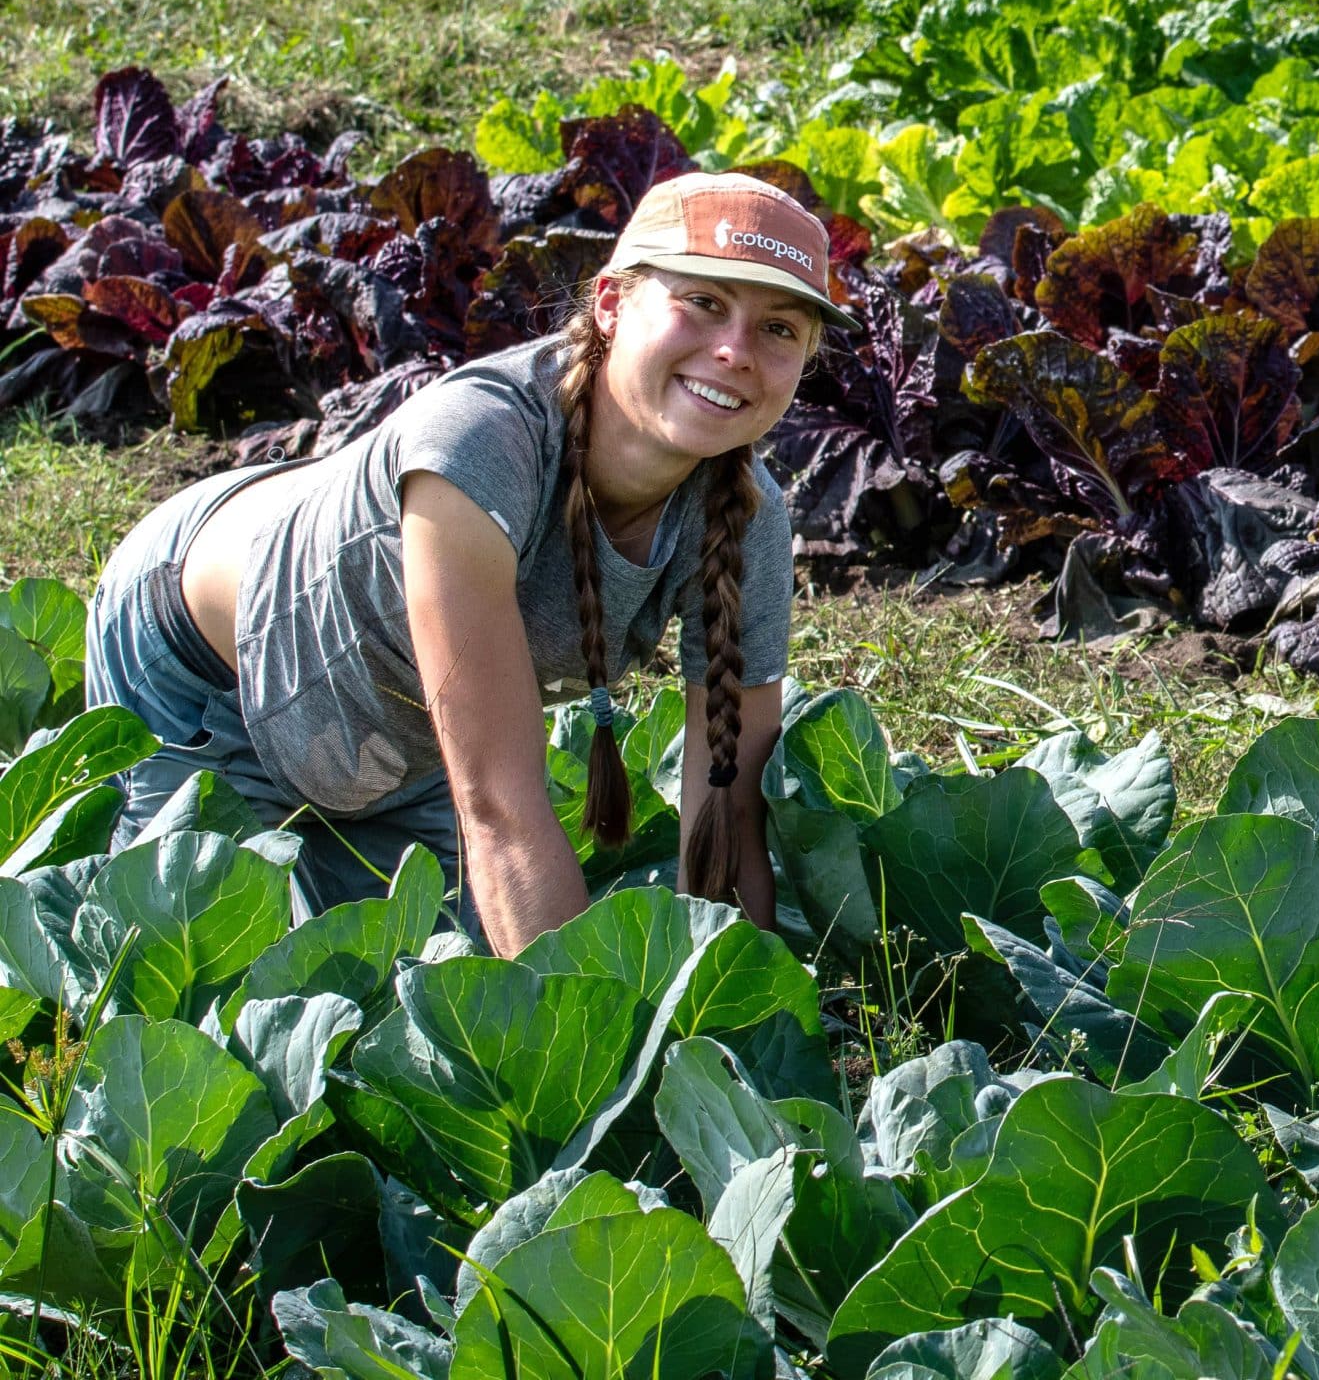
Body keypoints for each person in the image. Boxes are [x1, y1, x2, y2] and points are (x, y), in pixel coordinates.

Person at [85, 171, 856, 958]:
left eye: (780, 329)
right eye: (703, 303)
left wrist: (737, 1031)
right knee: (186, 989)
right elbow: (499, 804)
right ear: (614, 305)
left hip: (400, 739)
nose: (734, 351)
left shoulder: (744, 514)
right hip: (202, 672)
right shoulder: (480, 446)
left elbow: (726, 815)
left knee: (413, 1018)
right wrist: (595, 1070)